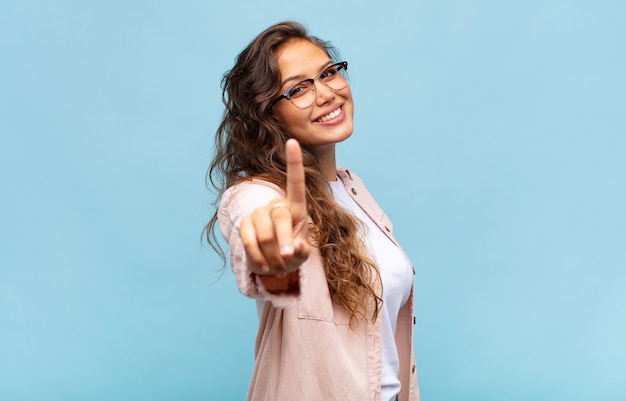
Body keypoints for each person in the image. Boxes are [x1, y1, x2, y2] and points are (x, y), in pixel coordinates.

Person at [204, 21, 420, 401]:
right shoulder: (259, 195)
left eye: (328, 73)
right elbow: (262, 238)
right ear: (267, 116)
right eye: (298, 89)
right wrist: (272, 250)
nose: (326, 93)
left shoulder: (355, 191)